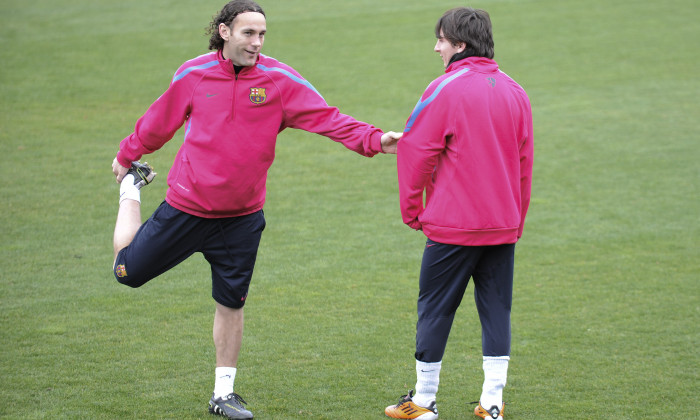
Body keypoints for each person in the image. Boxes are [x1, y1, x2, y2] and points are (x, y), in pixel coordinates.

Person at [110, 1, 401, 418]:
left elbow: (328, 118)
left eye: (262, 34)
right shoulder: (194, 74)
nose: (257, 42)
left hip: (242, 220)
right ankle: (132, 189)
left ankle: (223, 394)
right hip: (187, 208)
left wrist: (376, 140)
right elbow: (158, 123)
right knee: (127, 272)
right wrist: (127, 156)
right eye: (248, 33)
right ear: (225, 32)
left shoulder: (279, 81)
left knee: (231, 302)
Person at [384, 7, 533, 420]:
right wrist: (515, 220)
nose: (436, 47)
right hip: (503, 225)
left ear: (460, 45)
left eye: (442, 40)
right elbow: (525, 162)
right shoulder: (516, 91)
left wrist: (412, 210)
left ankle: (425, 401)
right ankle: (492, 404)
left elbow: (416, 151)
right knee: (496, 311)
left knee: (434, 308)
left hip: (453, 228)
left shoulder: (444, 88)